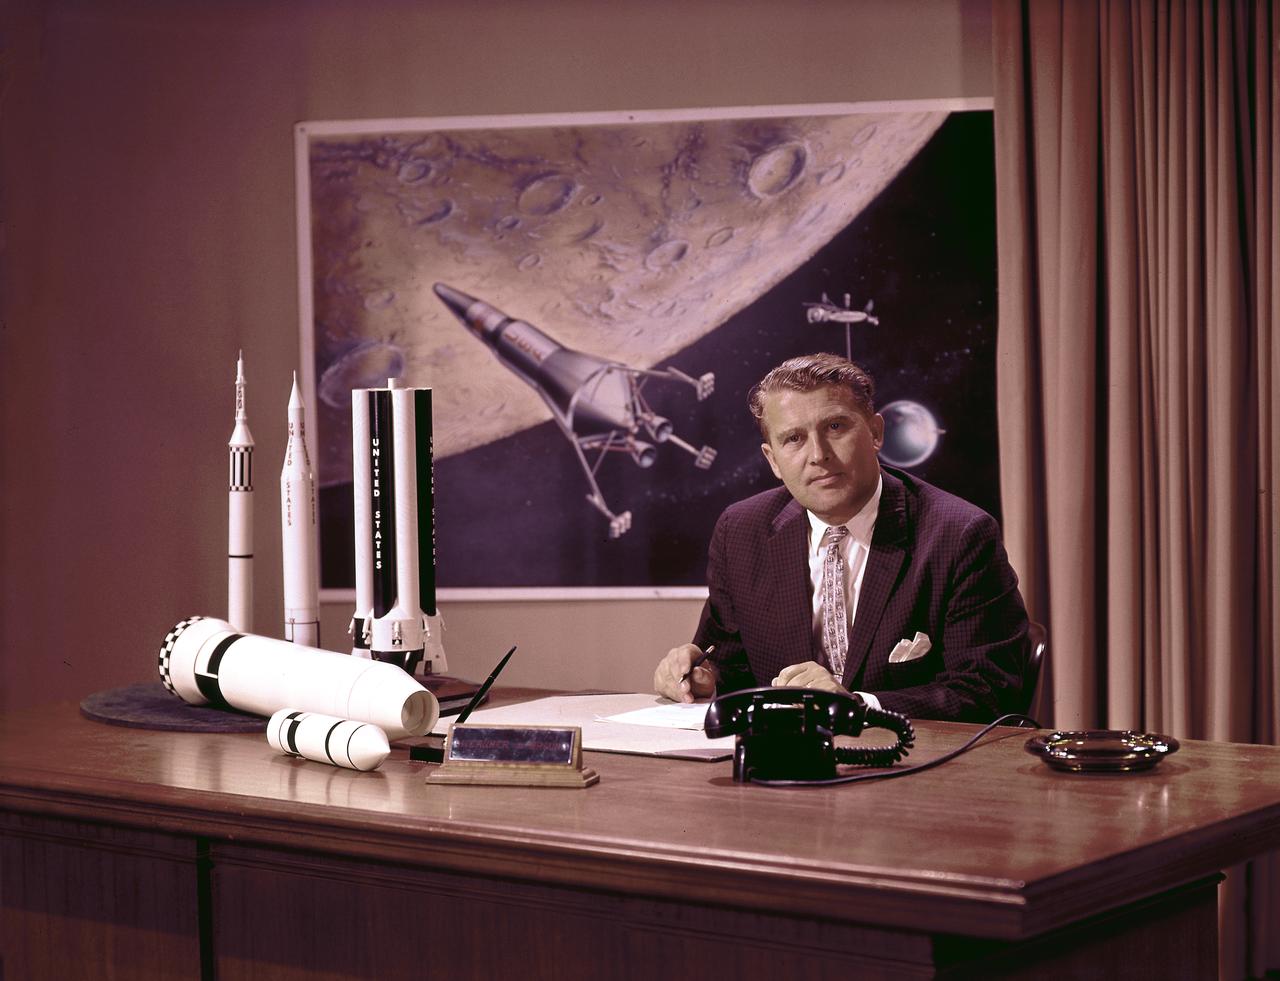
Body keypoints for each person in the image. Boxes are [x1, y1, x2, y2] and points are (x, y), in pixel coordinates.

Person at [652, 353, 1029, 722]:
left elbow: (989, 690)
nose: (818, 455)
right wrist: (703, 678)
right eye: (794, 439)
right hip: (783, 768)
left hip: (915, 769)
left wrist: (855, 705)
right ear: (773, 460)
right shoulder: (740, 532)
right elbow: (729, 660)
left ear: (876, 433)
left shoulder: (959, 535)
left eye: (835, 427)